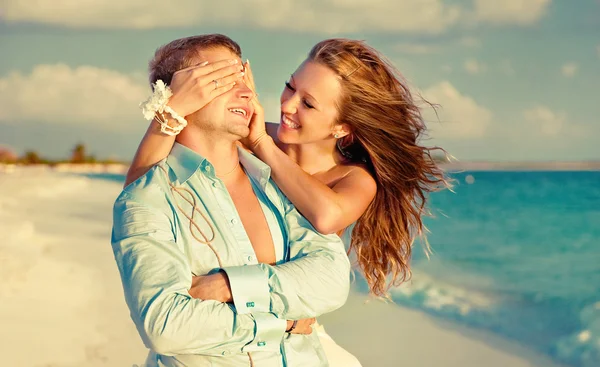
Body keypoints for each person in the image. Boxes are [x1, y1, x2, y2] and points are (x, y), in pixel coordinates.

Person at [126, 37, 450, 366]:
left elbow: (326, 217)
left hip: (296, 327)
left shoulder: (349, 177)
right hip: (241, 334)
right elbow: (141, 190)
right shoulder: (254, 141)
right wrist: (171, 109)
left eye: (308, 104)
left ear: (341, 127)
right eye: (289, 87)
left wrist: (262, 144)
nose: (287, 106)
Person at [111, 34, 351, 367]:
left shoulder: (280, 183)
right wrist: (282, 323)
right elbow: (165, 325)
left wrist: (229, 286)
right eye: (221, 80)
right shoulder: (148, 198)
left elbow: (332, 280)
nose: (247, 91)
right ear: (181, 95)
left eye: (244, 79)